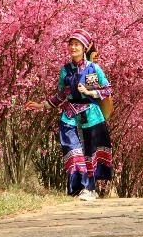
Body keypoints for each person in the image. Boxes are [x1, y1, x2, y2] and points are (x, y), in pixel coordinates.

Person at [26, 28, 113, 201]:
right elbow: (61, 95)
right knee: (73, 149)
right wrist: (41, 105)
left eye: (77, 45)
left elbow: (107, 89)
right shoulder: (65, 70)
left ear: (85, 47)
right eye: (71, 44)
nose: (73, 48)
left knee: (89, 151)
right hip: (69, 115)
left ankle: (89, 189)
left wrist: (90, 93)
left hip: (91, 115)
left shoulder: (93, 68)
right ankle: (78, 188)